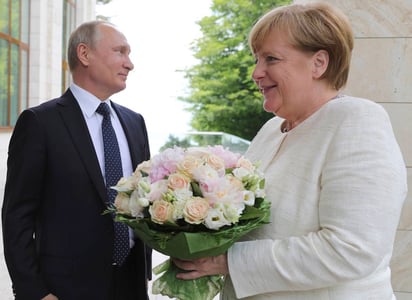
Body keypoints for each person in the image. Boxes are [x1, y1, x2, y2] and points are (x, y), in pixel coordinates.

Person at [173, 2, 407, 299]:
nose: (257, 73)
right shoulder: (271, 130)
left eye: (271, 59)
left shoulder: (357, 120)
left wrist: (227, 261)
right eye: (256, 59)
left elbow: (352, 249)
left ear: (318, 64)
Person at [2, 20, 151, 300]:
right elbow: (16, 218)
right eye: (120, 51)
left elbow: (143, 205)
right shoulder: (39, 123)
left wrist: (144, 275)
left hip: (130, 287)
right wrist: (34, 292)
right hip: (64, 290)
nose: (129, 63)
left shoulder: (135, 123)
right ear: (84, 54)